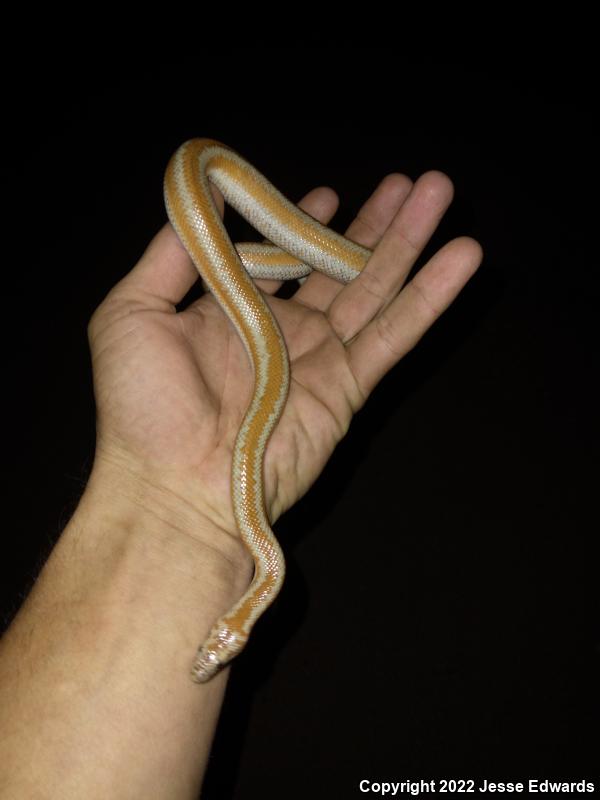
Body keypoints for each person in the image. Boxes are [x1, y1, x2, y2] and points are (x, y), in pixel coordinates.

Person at [0, 169, 482, 797]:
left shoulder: (265, 561)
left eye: (213, 645)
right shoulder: (267, 561)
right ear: (237, 629)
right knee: (249, 224)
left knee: (307, 258)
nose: (211, 650)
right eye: (219, 645)